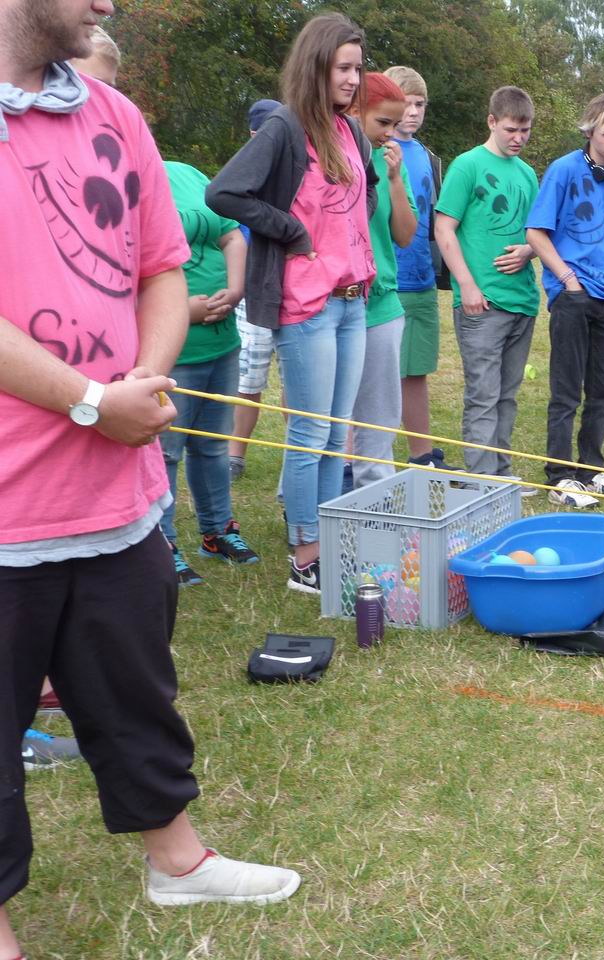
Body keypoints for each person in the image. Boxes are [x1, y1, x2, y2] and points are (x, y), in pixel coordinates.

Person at [0, 3, 301, 954]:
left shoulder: (112, 114)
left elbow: (162, 267)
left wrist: (143, 380)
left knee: (133, 689)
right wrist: (94, 401)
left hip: (117, 496)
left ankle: (178, 861)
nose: (109, 5)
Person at [207, 12, 378, 593]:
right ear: (316, 66)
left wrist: (350, 243)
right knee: (310, 434)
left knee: (336, 435)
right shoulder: (284, 127)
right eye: (343, 68)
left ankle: (326, 544)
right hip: (308, 304)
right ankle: (306, 556)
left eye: (358, 68)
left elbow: (364, 194)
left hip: (353, 300)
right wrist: (293, 231)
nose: (352, 79)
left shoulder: (350, 131)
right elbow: (225, 192)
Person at [525, 92, 604, 508]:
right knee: (566, 391)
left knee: (603, 391)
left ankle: (592, 470)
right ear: (590, 131)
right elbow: (536, 232)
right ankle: (559, 476)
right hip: (574, 296)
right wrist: (567, 280)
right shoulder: (563, 170)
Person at [433, 85, 540, 484]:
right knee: (483, 396)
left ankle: (502, 475)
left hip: (522, 300)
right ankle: (481, 483)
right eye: (511, 129)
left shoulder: (527, 174)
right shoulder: (467, 166)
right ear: (492, 122)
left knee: (507, 396)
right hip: (482, 303)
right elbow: (443, 228)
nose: (519, 138)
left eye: (525, 130)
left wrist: (529, 250)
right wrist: (467, 285)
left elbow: (539, 234)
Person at [160, 159, 259, 584]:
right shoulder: (120, 182)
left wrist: (235, 289)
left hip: (221, 342)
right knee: (165, 452)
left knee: (214, 444)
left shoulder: (187, 173)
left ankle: (217, 531)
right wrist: (180, 312)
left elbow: (231, 233)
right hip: (172, 350)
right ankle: (161, 544)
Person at [347, 73, 417, 489]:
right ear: (355, 112)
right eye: (383, 122)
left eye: (395, 123)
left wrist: (394, 180)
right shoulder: (328, 154)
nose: (391, 132)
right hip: (333, 302)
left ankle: (377, 505)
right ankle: (316, 508)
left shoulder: (389, 162)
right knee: (326, 418)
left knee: (378, 420)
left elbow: (405, 235)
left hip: (382, 304)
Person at [385, 64, 450, 468]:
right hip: (387, 281)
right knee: (376, 375)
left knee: (416, 370)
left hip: (422, 278)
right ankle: (358, 460)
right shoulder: (376, 149)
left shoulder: (427, 156)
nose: (412, 112)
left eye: (419, 104)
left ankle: (422, 455)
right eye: (404, 104)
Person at [226, 98, 284, 483]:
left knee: (299, 383)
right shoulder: (241, 178)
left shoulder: (296, 173)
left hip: (293, 291)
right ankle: (235, 454)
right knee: (248, 380)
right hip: (252, 295)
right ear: (253, 135)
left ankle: (300, 455)